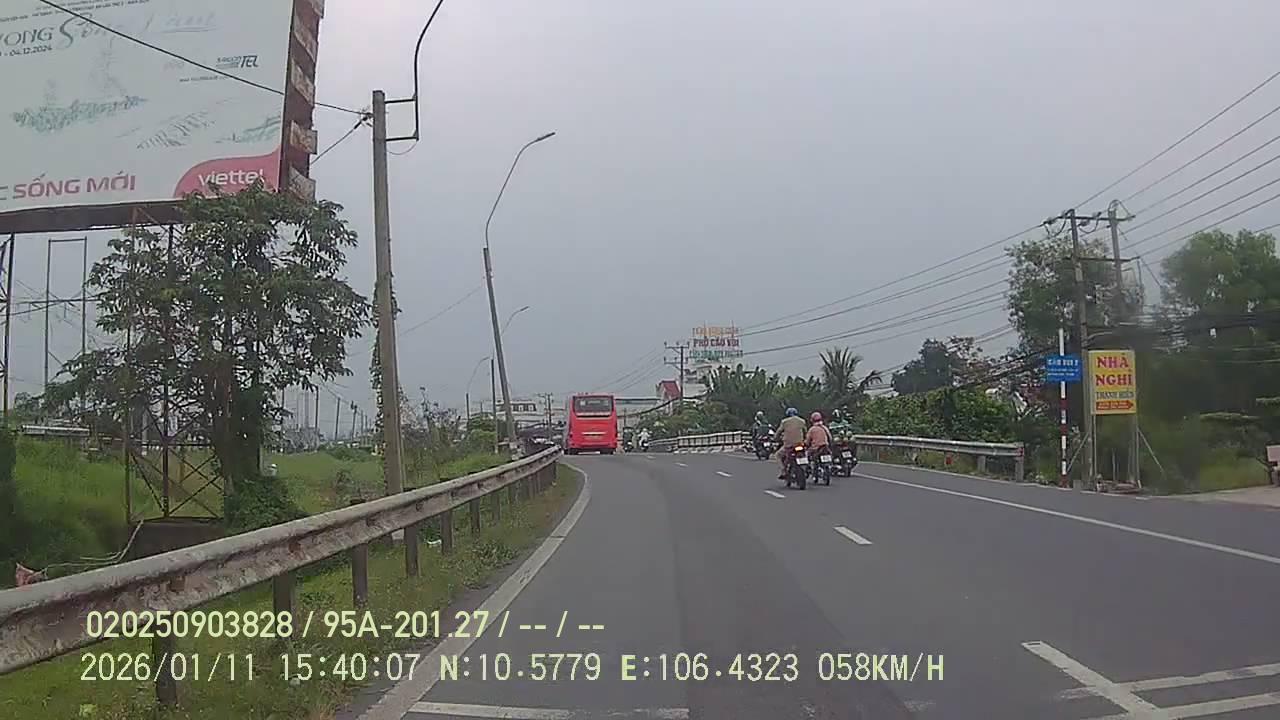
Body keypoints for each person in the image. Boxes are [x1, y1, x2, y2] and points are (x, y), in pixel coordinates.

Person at [775, 407, 807, 478]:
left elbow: (778, 432)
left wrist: (776, 438)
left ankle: (783, 470)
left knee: (777, 455)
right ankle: (805, 468)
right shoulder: (802, 421)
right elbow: (805, 432)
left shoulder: (784, 422)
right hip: (800, 444)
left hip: (788, 445)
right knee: (805, 454)